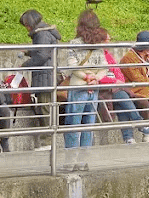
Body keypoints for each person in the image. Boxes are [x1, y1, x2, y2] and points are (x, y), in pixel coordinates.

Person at [62, 10, 110, 149]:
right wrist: (96, 78)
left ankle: (72, 154)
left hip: (78, 86)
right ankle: (85, 153)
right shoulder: (98, 44)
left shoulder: (74, 43)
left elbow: (72, 65)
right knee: (89, 124)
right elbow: (104, 67)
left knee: (73, 123)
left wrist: (85, 77)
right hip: (94, 87)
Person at [18, 9, 61, 146]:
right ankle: (48, 140)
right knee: (46, 107)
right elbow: (43, 51)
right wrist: (28, 52)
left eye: (26, 24)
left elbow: (42, 55)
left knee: (45, 108)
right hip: (47, 74)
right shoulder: (44, 32)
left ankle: (48, 141)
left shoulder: (42, 34)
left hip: (45, 76)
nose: (26, 28)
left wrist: (26, 65)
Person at [119, 32, 149, 142]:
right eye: (147, 46)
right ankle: (146, 135)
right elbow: (136, 78)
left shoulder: (148, 58)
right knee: (144, 102)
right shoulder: (127, 58)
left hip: (147, 89)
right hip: (133, 91)